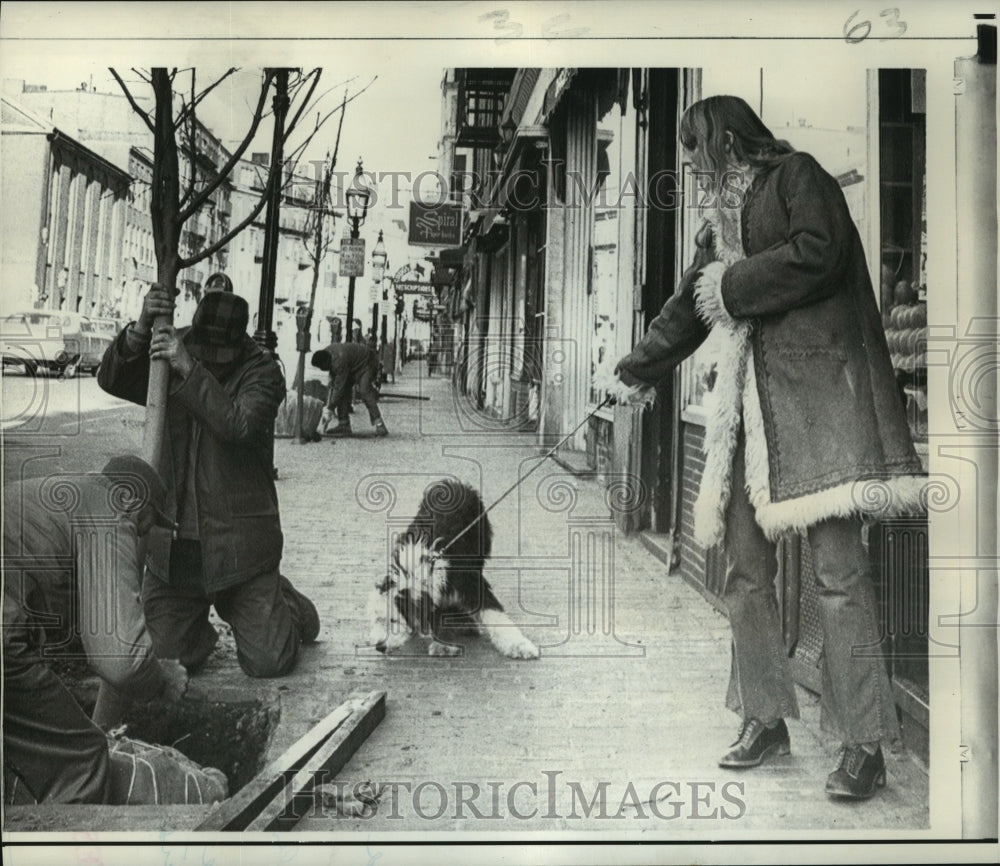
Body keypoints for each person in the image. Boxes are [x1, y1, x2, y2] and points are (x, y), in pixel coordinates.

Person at [609, 95, 925, 801]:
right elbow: (694, 303)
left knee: (840, 577)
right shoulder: (719, 219)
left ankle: (865, 743)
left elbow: (821, 252)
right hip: (750, 418)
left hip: (820, 411)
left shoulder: (799, 177)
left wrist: (733, 283)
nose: (689, 167)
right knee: (745, 573)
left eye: (693, 151)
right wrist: (633, 373)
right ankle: (764, 716)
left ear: (724, 141)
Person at [97, 284, 320, 680]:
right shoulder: (173, 345)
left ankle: (284, 603)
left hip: (240, 551)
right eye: (202, 354)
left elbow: (237, 424)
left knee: (269, 662)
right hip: (177, 551)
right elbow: (113, 379)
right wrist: (141, 327)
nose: (210, 361)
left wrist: (189, 368)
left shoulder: (264, 371)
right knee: (163, 658)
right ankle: (195, 630)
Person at [3, 455, 188, 804]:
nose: (140, 538)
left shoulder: (57, 498)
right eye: (144, 527)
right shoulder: (112, 509)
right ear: (133, 501)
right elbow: (120, 658)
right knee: (81, 757)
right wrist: (161, 679)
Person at [312, 341, 389, 438]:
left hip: (367, 363)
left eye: (321, 367)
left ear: (326, 363)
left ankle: (380, 424)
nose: (322, 370)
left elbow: (338, 388)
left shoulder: (339, 361)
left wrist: (329, 409)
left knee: (364, 391)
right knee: (342, 390)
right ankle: (344, 424)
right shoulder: (328, 354)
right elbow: (335, 385)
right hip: (353, 364)